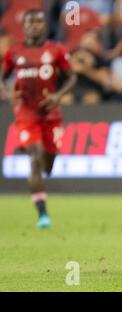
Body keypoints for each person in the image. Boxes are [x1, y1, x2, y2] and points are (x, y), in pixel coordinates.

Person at [0, 9, 77, 228]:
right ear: (23, 26)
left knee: (48, 162)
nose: (35, 26)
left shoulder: (56, 50)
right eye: (30, 22)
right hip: (26, 111)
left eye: (39, 22)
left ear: (44, 25)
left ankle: (40, 156)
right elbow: (3, 78)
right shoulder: (13, 52)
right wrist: (8, 92)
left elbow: (71, 77)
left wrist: (58, 96)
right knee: (35, 157)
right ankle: (43, 214)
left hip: (50, 111)